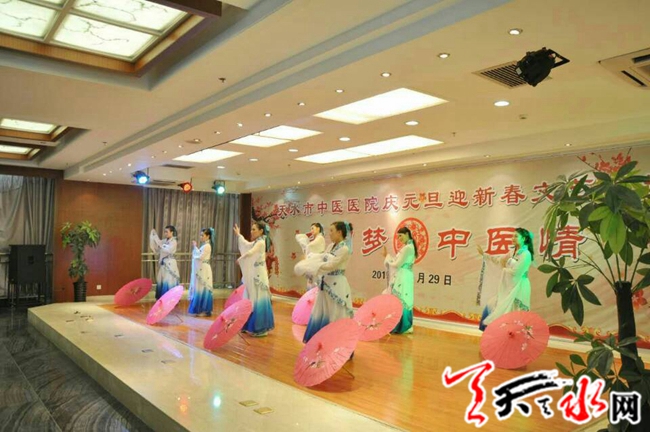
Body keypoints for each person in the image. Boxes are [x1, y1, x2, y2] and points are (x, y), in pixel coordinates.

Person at [296, 221, 354, 343]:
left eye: (332, 231)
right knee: (322, 311)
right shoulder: (330, 246)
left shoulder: (344, 249)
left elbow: (331, 265)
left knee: (334, 313)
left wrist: (312, 266)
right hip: (325, 282)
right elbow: (322, 259)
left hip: (337, 285)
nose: (329, 233)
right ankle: (320, 342)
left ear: (339, 232)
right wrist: (310, 261)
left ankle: (334, 343)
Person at [476, 227, 534, 330]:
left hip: (519, 286)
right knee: (493, 306)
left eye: (516, 236)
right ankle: (495, 333)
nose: (513, 238)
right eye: (512, 236)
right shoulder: (512, 252)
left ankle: (514, 337)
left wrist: (505, 269)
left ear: (524, 238)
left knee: (515, 313)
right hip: (509, 285)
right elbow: (499, 260)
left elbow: (516, 272)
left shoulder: (526, 254)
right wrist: (484, 255)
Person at [234, 221, 275, 337]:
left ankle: (260, 327)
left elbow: (250, 252)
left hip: (259, 275)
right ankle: (248, 325)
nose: (251, 232)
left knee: (258, 299)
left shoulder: (261, 243)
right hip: (254, 273)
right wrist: (239, 235)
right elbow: (246, 245)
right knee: (250, 297)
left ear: (261, 231)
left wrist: (241, 259)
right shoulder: (257, 242)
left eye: (254, 229)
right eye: (251, 229)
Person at [382, 226, 417, 334]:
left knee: (400, 300)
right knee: (404, 299)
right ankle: (404, 325)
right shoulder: (410, 247)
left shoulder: (407, 248)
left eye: (401, 236)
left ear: (407, 234)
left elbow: (397, 264)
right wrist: (388, 257)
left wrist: (387, 258)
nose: (399, 238)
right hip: (406, 275)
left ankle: (401, 326)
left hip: (403, 276)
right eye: (398, 237)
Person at [188, 228, 214, 317]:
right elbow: (199, 254)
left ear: (208, 236)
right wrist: (195, 247)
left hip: (204, 269)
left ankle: (204, 309)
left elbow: (200, 257)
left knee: (203, 288)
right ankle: (200, 309)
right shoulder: (205, 245)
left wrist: (195, 250)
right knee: (200, 288)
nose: (201, 237)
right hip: (202, 268)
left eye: (202, 235)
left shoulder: (207, 246)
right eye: (200, 235)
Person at [149, 226, 181, 300]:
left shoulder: (174, 241)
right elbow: (158, 243)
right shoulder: (165, 241)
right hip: (164, 263)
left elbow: (169, 250)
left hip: (170, 263)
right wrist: (154, 235)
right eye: (165, 232)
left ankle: (170, 298)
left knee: (169, 280)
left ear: (171, 232)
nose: (165, 233)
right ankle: (163, 297)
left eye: (167, 232)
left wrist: (161, 245)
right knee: (162, 279)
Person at [295, 223, 326, 290]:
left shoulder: (320, 238)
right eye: (310, 229)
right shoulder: (316, 238)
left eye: (312, 228)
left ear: (318, 229)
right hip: (314, 262)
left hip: (317, 262)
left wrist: (304, 243)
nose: (311, 230)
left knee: (315, 283)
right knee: (311, 282)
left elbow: (309, 246)